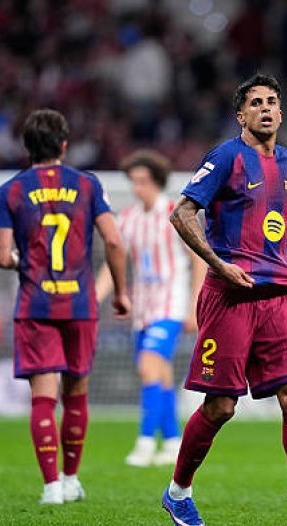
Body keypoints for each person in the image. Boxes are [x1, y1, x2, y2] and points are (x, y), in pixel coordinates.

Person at [160, 74, 287, 526]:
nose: (265, 108)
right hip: (230, 298)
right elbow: (181, 214)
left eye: (272, 101)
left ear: (281, 112)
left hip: (276, 298)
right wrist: (219, 266)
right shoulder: (225, 157)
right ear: (241, 114)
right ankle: (178, 492)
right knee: (221, 406)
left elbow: (282, 218)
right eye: (256, 102)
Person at [0, 109, 131, 504]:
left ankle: (51, 486)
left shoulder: (10, 191)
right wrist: (120, 292)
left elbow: (1, 256)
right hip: (80, 304)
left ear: (26, 147)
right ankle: (71, 479)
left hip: (36, 304)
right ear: (65, 146)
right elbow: (114, 241)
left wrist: (21, 261)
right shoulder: (87, 184)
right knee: (76, 393)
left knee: (43, 397)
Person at [95, 150, 205, 467]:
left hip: (171, 305)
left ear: (157, 181)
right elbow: (114, 262)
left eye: (142, 181)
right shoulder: (128, 219)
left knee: (148, 366)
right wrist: (96, 297)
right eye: (133, 181)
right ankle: (172, 442)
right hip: (143, 310)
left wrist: (194, 305)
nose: (136, 188)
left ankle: (144, 442)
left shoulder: (175, 214)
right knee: (160, 373)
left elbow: (199, 260)